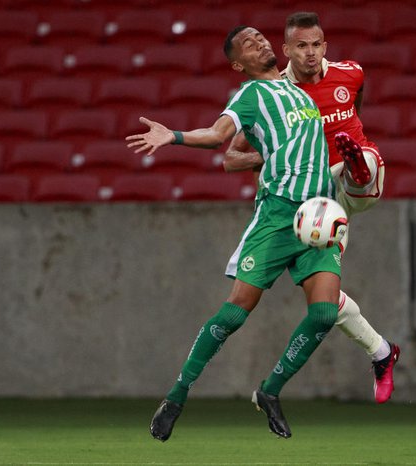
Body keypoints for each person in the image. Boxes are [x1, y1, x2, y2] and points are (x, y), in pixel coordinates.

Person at [126, 25, 342, 441]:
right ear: (238, 65)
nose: (258, 42)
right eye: (247, 44)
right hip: (277, 216)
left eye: (259, 37)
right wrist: (173, 136)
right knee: (235, 313)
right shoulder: (250, 95)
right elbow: (219, 139)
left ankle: (269, 391)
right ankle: (176, 396)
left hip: (318, 216)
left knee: (324, 315)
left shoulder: (301, 92)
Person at [223, 11, 400, 404]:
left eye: (316, 44)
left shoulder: (350, 73)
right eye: (301, 46)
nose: (310, 53)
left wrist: (348, 146)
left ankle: (356, 166)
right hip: (316, 202)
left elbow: (356, 104)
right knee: (327, 304)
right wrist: (276, 154)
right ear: (286, 50)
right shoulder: (273, 94)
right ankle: (382, 352)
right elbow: (232, 159)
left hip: (352, 181)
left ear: (325, 46)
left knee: (364, 160)